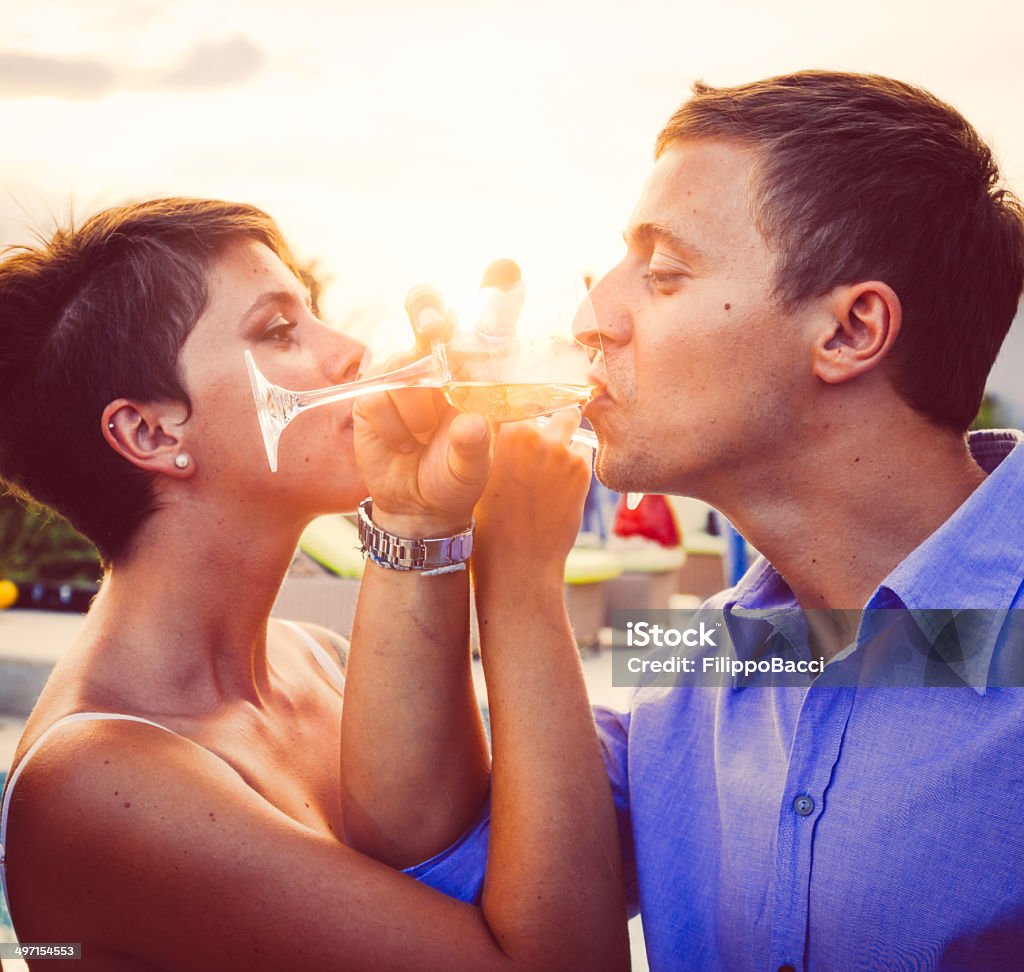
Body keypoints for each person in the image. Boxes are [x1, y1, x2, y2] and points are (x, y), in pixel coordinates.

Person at [335, 72, 1024, 969]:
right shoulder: (693, 671)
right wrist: (419, 523)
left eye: (663, 274)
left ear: (852, 330)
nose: (589, 320)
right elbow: (441, 856)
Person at [0, 198, 630, 970]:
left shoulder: (321, 661)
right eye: (279, 331)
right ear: (151, 433)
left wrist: (427, 511)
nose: (355, 353)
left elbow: (501, 874)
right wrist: (518, 564)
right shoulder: (96, 782)